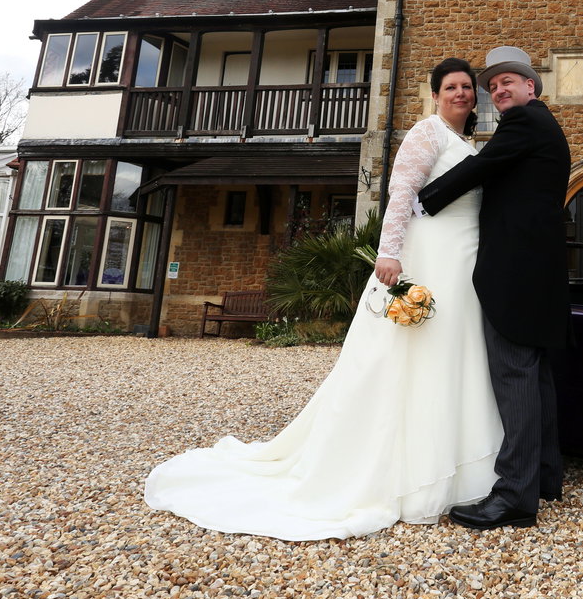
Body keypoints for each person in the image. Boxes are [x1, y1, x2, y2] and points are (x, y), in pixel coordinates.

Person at [143, 58, 502, 540]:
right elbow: (400, 192)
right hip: (431, 255)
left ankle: (459, 459)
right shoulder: (427, 132)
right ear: (436, 94)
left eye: (466, 87)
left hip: (463, 260)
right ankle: (408, 470)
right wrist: (390, 253)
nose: (461, 93)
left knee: (456, 354)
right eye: (451, 86)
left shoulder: (466, 142)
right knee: (416, 355)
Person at [418, 46, 572, 531]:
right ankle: (544, 477)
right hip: (538, 273)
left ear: (531, 86)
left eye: (508, 81)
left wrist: (425, 199)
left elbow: (479, 168)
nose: (498, 90)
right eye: (493, 85)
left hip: (516, 274)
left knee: (515, 377)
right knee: (535, 378)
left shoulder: (524, 121)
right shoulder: (543, 125)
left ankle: (514, 497)